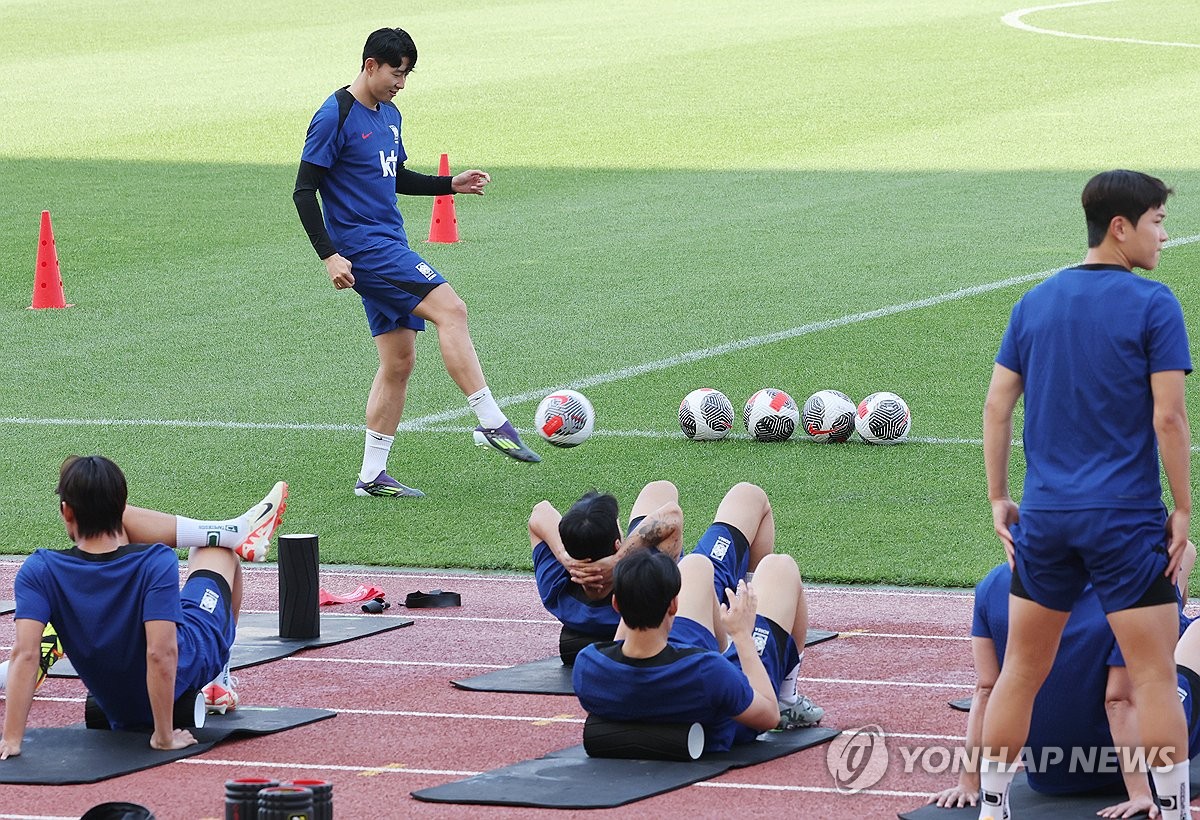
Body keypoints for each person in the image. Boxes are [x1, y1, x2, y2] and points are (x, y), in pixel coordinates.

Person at [981, 170, 1192, 819]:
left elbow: (996, 404)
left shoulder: (1034, 303)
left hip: (1045, 517)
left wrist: (998, 497)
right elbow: (1168, 418)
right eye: (1157, 221)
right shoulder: (1155, 306)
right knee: (1153, 676)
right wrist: (1183, 507)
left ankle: (992, 808)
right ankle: (1177, 811)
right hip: (1125, 520)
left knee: (1020, 669)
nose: (1164, 234)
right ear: (1121, 227)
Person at [294, 26, 539, 499]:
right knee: (453, 309)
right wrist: (329, 255)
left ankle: (371, 476)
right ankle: (491, 419)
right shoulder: (334, 114)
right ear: (370, 65)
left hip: (389, 238)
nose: (400, 83)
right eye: (395, 72)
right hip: (366, 248)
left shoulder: (390, 115)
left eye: (406, 75)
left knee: (399, 360)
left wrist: (451, 184)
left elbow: (396, 175)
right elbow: (305, 190)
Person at [0, 456, 287, 757]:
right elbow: (161, 653)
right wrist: (163, 736)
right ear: (122, 509)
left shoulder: (38, 569)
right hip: (187, 664)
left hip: (116, 702)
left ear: (66, 511)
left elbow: (27, 654)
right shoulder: (155, 561)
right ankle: (220, 681)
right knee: (219, 553)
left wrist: (11, 739)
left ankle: (233, 530)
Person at [931, 551, 1198, 817]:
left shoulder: (993, 584)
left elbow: (986, 691)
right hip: (1117, 774)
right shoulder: (1127, 591)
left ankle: (1171, 623)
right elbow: (1119, 702)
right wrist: (1139, 793)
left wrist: (968, 783)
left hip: (1046, 774)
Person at [572, 546, 819, 753]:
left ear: (616, 604)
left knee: (696, 564)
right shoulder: (708, 671)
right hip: (719, 699)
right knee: (779, 567)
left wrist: (634, 595)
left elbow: (622, 652)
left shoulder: (588, 664)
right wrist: (742, 635)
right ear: (673, 605)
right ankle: (789, 698)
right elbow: (768, 716)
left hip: (673, 666)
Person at [529, 481, 683, 653]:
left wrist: (565, 557)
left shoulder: (556, 590)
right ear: (618, 545)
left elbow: (540, 511)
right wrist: (619, 559)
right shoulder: (646, 577)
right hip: (652, 590)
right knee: (661, 489)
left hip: (584, 619)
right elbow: (672, 515)